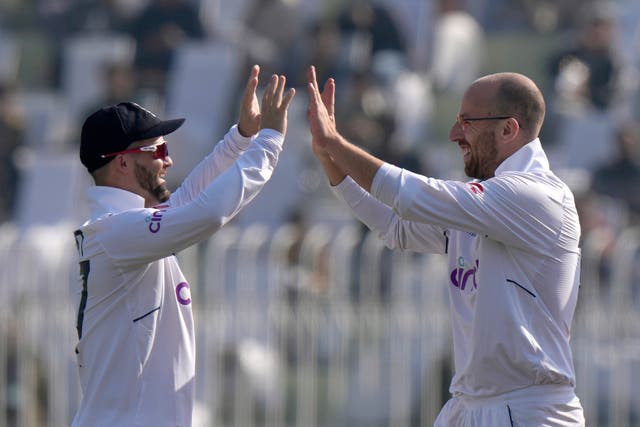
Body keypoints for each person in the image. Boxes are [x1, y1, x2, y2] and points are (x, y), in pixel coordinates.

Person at [305, 65, 585, 425]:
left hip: (527, 411)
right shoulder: (490, 203)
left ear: (508, 128)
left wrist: (338, 145)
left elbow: (410, 197)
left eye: (466, 122)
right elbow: (397, 228)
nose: (454, 134)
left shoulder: (537, 195)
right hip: (470, 406)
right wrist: (331, 160)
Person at [72, 65, 295, 427]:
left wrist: (241, 138)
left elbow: (190, 200)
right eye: (157, 149)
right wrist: (269, 141)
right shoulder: (116, 231)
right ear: (124, 162)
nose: (168, 160)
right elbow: (206, 214)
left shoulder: (125, 229)